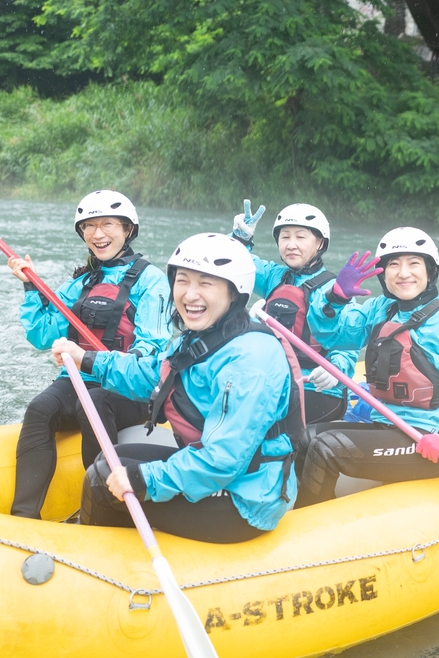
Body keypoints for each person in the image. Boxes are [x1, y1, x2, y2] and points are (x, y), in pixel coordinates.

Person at [52, 233, 303, 543]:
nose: (190, 294)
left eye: (205, 283)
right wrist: (87, 360)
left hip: (244, 500)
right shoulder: (204, 335)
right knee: (111, 460)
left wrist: (146, 479)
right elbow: (154, 373)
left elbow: (223, 459)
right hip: (215, 472)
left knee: (101, 482)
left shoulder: (249, 362)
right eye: (182, 281)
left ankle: (96, 556)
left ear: (234, 293)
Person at [294, 227, 439, 506]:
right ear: (383, 274)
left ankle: (312, 519)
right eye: (394, 264)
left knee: (325, 448)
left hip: (432, 441)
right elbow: (332, 335)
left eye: (414, 263)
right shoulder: (381, 309)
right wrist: (334, 298)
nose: (403, 273)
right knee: (305, 437)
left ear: (431, 271)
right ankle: (304, 509)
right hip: (387, 425)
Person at [6, 190, 171, 519]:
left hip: (130, 387)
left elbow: (152, 347)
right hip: (79, 378)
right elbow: (41, 335)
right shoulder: (80, 283)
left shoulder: (152, 281)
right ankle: (23, 517)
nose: (97, 234)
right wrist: (30, 287)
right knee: (40, 408)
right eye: (89, 226)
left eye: (108, 224)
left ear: (127, 229)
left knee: (93, 403)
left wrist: (109, 363)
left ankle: (103, 510)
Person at [230, 200, 357, 424]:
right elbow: (236, 264)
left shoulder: (336, 290)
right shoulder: (274, 276)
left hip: (317, 389)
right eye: (285, 237)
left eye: (300, 237)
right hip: (274, 381)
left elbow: (349, 344)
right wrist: (239, 240)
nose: (291, 244)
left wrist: (335, 370)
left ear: (320, 243)